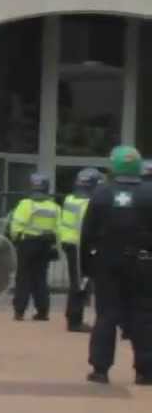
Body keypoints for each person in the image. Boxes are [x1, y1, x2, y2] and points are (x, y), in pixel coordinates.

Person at [83, 146, 152, 385]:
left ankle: (100, 369)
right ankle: (145, 371)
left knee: (106, 315)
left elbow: (87, 234)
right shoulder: (149, 193)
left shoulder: (102, 194)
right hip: (143, 264)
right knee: (143, 316)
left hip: (107, 263)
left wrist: (86, 267)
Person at [9, 173, 60, 322]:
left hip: (27, 243)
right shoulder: (54, 207)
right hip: (45, 244)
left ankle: (19, 311)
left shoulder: (26, 204)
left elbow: (16, 225)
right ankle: (43, 312)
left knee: (23, 278)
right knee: (41, 278)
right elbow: (58, 229)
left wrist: (15, 239)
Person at [61, 168, 101, 333]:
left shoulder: (71, 198)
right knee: (79, 282)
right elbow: (90, 228)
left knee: (78, 281)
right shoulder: (87, 203)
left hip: (71, 243)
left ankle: (74, 316)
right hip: (79, 245)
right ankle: (75, 321)